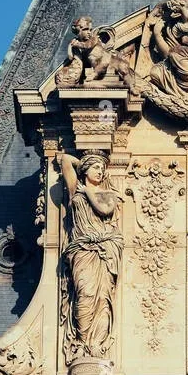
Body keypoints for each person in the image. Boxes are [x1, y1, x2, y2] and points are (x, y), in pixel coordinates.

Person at [59, 152, 123, 361]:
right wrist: (84, 163)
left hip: (104, 249)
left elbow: (104, 210)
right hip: (82, 249)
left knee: (103, 297)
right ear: (85, 170)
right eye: (95, 168)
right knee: (85, 294)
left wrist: (88, 192)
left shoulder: (107, 194)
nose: (100, 171)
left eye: (102, 169)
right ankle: (83, 342)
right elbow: (65, 160)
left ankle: (95, 344)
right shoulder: (75, 190)